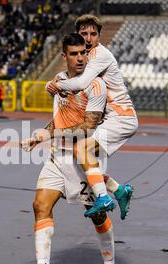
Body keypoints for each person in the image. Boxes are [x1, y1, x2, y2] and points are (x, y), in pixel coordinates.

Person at [15, 33, 119, 264]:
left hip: (81, 162)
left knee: (97, 217)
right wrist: (43, 132)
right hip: (55, 158)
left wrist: (47, 134)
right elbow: (59, 118)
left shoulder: (96, 86)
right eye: (74, 53)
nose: (81, 57)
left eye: (84, 52)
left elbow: (88, 126)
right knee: (40, 205)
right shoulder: (59, 81)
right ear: (64, 56)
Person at [47, 14, 138, 219]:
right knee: (86, 163)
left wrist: (54, 86)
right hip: (111, 118)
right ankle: (119, 190)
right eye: (84, 33)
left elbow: (80, 84)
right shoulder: (85, 56)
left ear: (99, 37)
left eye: (93, 34)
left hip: (121, 118)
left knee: (81, 149)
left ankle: (103, 198)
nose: (88, 38)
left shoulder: (99, 55)